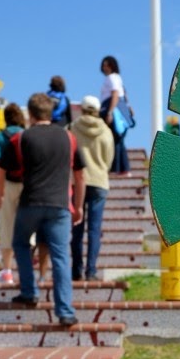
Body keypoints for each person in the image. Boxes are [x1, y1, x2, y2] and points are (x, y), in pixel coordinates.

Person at [0, 92, 85, 322]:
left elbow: (1, 169)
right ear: (51, 113)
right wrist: (78, 206)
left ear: (31, 114)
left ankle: (29, 292)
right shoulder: (69, 138)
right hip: (60, 204)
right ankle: (65, 312)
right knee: (60, 256)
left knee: (20, 243)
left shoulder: (20, 139)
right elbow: (80, 175)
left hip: (30, 202)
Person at [70, 95, 115, 280]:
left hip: (76, 181)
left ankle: (76, 270)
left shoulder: (72, 128)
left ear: (81, 109)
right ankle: (91, 270)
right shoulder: (106, 131)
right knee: (94, 230)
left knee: (76, 228)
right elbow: (109, 159)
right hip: (99, 181)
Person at [0, 102, 26, 285]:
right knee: (27, 225)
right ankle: (27, 267)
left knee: (7, 227)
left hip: (7, 184)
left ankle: (7, 271)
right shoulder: (27, 135)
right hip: (27, 185)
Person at [100, 55, 130, 174]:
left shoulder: (111, 78)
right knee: (119, 139)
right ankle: (124, 168)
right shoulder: (117, 78)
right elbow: (123, 94)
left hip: (113, 108)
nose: (104, 67)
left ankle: (115, 169)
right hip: (119, 108)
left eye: (106, 65)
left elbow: (115, 94)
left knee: (114, 139)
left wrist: (110, 112)